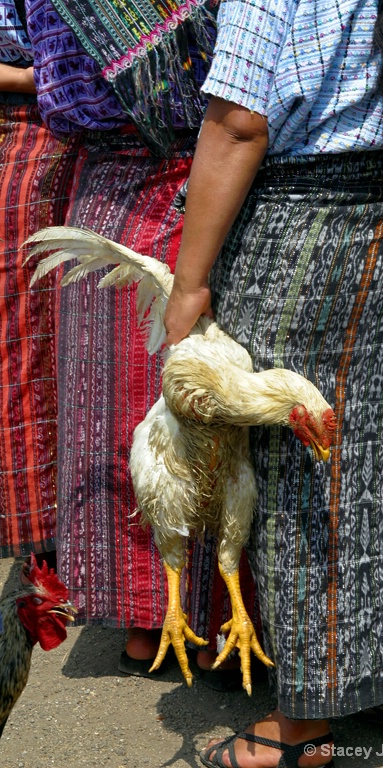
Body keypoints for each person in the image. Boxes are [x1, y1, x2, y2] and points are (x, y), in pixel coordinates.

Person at [163, 0, 383, 763]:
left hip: (300, 230)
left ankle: (303, 724)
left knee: (300, 467)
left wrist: (190, 281)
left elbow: (238, 124)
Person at [25, 0, 259, 684]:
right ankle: (211, 614)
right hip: (200, 188)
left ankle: (146, 616)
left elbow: (52, 84)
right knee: (197, 414)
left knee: (125, 416)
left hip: (107, 197)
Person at [0, 0, 79, 566]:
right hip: (36, 123)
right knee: (25, 338)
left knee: (37, 334)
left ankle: (49, 532)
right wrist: (37, 76)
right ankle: (38, 534)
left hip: (52, 126)